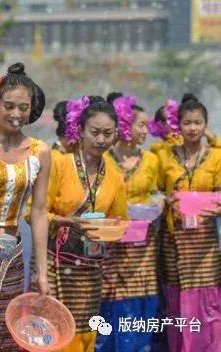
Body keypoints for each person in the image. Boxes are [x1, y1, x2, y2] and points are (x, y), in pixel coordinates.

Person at [0, 63, 50, 351]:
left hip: (11, 255)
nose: (16, 114)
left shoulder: (39, 151)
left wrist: (41, 273)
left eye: (24, 107)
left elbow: (40, 211)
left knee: (9, 334)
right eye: (9, 106)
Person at [46, 96, 128, 352]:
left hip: (90, 267)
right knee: (54, 330)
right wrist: (67, 222)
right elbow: (34, 214)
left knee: (85, 334)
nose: (101, 139)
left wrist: (112, 226)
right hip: (56, 264)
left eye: (107, 133)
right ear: (80, 130)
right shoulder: (59, 164)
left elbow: (121, 220)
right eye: (94, 132)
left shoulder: (115, 175)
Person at [96, 93, 161, 352]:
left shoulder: (152, 160)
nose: (146, 130)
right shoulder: (104, 159)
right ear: (125, 126)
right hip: (113, 244)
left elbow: (156, 190)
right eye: (141, 125)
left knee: (142, 301)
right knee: (111, 299)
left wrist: (159, 203)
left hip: (143, 245)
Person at [158, 94, 220, 352]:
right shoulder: (165, 156)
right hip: (173, 241)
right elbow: (157, 192)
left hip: (204, 244)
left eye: (198, 123)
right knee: (176, 303)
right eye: (187, 123)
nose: (193, 128)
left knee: (210, 304)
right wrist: (167, 201)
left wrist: (213, 207)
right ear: (178, 126)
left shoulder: (217, 157)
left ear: (206, 125)